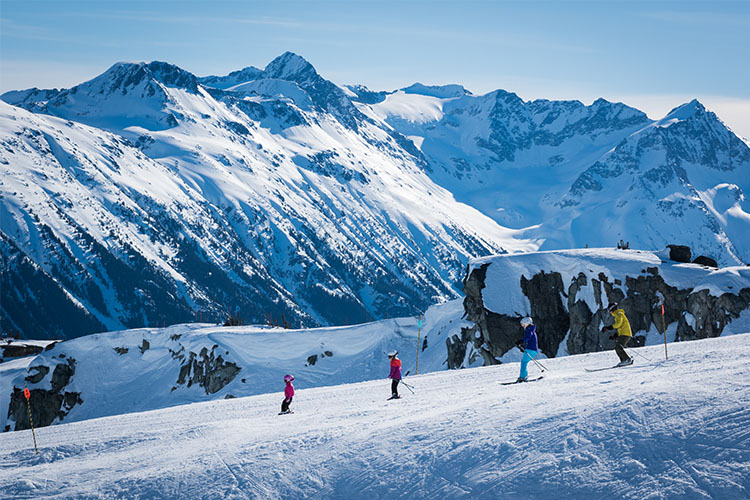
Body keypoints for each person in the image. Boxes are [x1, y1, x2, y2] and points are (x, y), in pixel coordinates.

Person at [516, 317, 538, 382]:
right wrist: (524, 346)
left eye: (523, 324)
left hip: (531, 349)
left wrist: (522, 341)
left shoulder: (529, 329)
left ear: (526, 322)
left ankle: (523, 377)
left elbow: (528, 336)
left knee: (523, 362)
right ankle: (523, 376)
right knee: (524, 362)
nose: (522, 326)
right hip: (531, 349)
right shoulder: (531, 329)